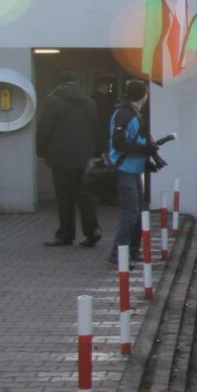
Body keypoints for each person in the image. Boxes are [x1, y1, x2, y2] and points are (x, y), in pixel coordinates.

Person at [36, 72, 102, 247]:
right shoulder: (90, 102)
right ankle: (93, 231)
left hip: (61, 158)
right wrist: (94, 153)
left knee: (65, 198)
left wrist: (41, 152)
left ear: (59, 84)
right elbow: (96, 129)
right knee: (85, 196)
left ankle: (65, 235)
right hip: (84, 158)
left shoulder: (54, 102)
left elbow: (44, 130)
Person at [107, 80, 153, 266]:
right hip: (125, 168)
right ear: (142, 95)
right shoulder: (125, 114)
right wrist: (143, 150)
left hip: (134, 168)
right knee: (131, 211)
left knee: (138, 211)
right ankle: (118, 253)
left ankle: (133, 250)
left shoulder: (132, 113)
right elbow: (119, 143)